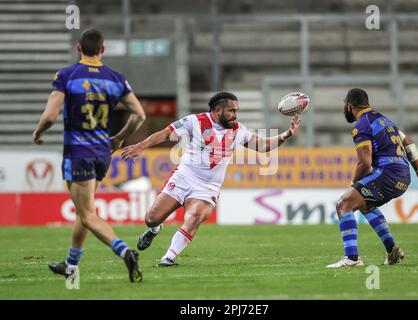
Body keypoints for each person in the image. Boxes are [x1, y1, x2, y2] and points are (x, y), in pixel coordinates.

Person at [121, 92, 301, 266]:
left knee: (195, 216)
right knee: (152, 218)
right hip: (184, 177)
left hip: (208, 187)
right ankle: (154, 230)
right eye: (231, 111)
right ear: (217, 110)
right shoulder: (194, 122)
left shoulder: (238, 130)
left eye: (236, 111)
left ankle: (167, 258)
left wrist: (287, 134)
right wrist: (140, 146)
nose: (234, 115)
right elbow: (164, 133)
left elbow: (263, 146)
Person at [33, 28, 146, 282]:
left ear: (78, 48)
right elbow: (140, 114)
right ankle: (71, 264)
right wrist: (118, 137)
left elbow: (50, 115)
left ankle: (125, 252)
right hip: (102, 153)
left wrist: (38, 130)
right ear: (102, 50)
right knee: (84, 211)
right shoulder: (116, 78)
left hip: (78, 152)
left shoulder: (67, 75)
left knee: (87, 214)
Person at [326, 88, 418, 268]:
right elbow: (409, 142)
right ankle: (392, 249)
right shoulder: (385, 120)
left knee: (344, 204)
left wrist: (353, 184)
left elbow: (364, 163)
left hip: (387, 173)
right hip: (403, 175)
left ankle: (352, 258)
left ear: (349, 105)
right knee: (364, 203)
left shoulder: (362, 125)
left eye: (344, 104)